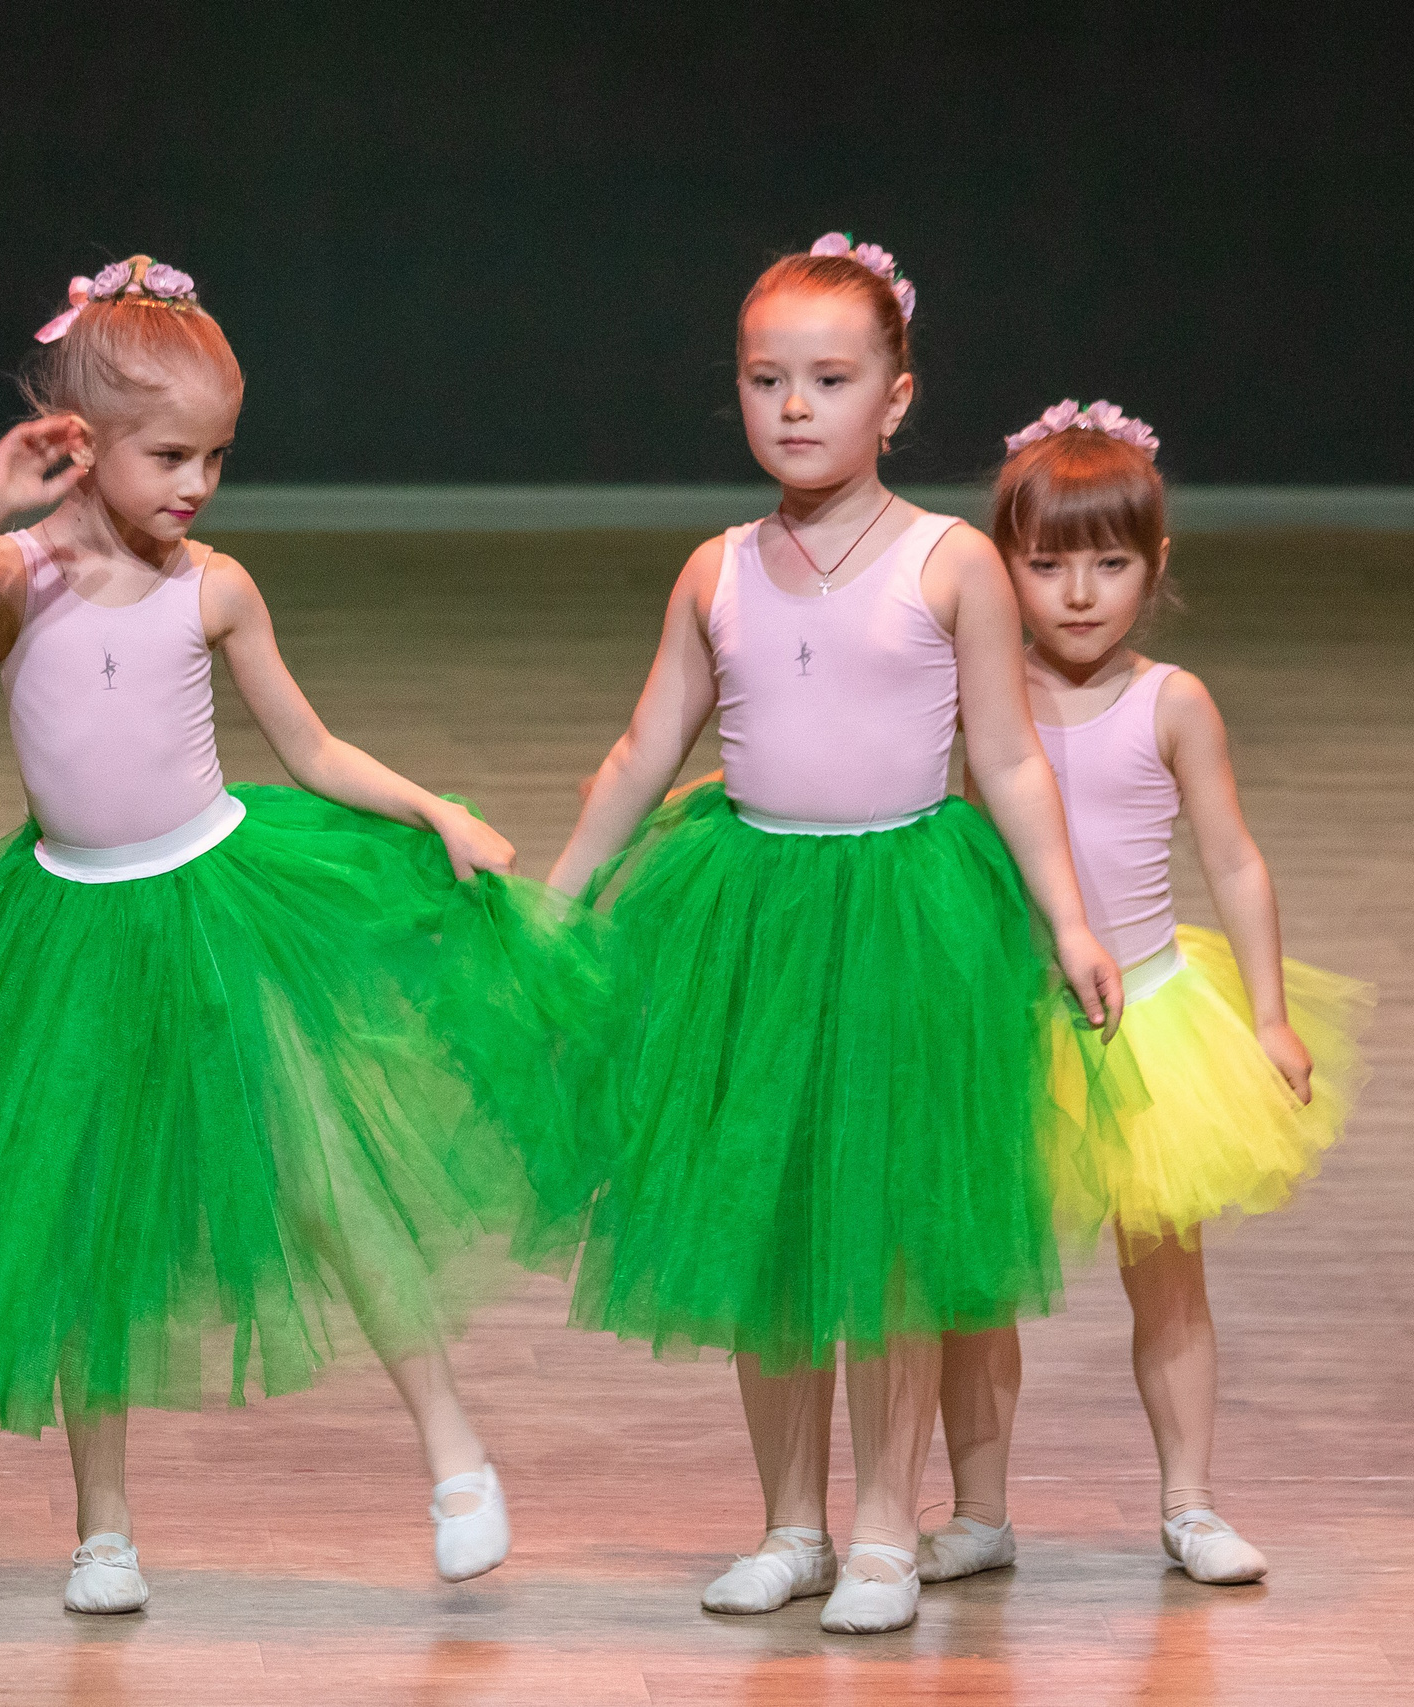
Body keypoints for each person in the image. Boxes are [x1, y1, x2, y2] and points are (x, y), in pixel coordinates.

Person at [0, 256, 587, 1614]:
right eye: (170, 454)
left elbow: (307, 745)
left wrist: (431, 805)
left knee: (324, 1174)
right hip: (68, 925)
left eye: (216, 457)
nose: (196, 483)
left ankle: (454, 1453)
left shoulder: (217, 586)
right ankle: (103, 1525)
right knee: (88, 1221)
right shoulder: (22, 572)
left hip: (218, 904)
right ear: (76, 443)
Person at [541, 235, 1122, 1635]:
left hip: (905, 919)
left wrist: (1069, 914)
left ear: (897, 396)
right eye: (766, 378)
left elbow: (1014, 757)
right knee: (772, 1228)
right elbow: (640, 748)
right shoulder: (716, 569)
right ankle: (789, 1519)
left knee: (896, 1237)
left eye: (830, 377)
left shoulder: (952, 561)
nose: (795, 405)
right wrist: (556, 899)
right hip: (748, 914)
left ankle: (883, 1526)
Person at [919, 402, 1371, 1589]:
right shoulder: (978, 695)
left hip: (1153, 1021)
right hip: (1002, 1020)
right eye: (1047, 563)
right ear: (1000, 563)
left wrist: (1267, 1014)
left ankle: (1190, 1503)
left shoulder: (1171, 701)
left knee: (1165, 1273)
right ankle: (976, 1512)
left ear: (1155, 566)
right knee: (974, 1284)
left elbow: (1231, 860)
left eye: (1110, 563)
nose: (1078, 593)